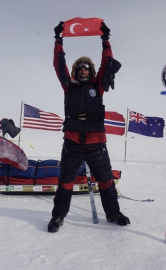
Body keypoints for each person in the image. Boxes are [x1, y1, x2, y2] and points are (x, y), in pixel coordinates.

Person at [48, 21, 130, 233]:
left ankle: (113, 213)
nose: (83, 70)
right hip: (72, 143)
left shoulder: (98, 86)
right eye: (79, 67)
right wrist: (59, 40)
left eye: (87, 67)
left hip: (96, 144)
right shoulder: (69, 87)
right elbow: (59, 66)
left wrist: (105, 40)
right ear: (76, 71)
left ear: (91, 71)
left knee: (106, 181)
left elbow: (106, 62)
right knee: (65, 183)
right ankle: (58, 216)